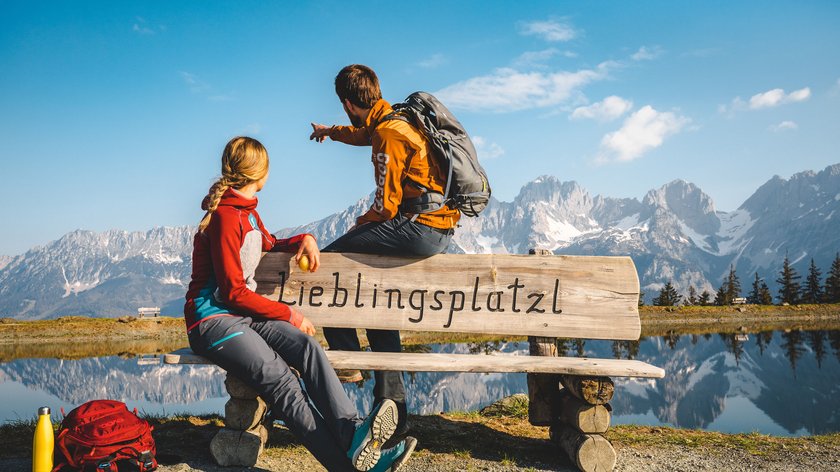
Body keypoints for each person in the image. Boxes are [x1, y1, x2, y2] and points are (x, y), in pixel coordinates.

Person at [183, 136, 416, 471]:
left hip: (242, 316)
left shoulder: (247, 213)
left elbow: (269, 242)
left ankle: (353, 435)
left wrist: (303, 239)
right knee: (281, 380)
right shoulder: (225, 216)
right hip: (214, 321)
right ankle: (348, 466)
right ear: (260, 173)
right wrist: (289, 313)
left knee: (307, 347)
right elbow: (232, 292)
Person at [309, 64, 460, 439]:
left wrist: (364, 222)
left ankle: (348, 362)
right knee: (376, 303)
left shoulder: (389, 135)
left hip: (420, 228)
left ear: (347, 102)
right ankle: (392, 406)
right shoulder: (395, 119)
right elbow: (363, 134)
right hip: (436, 224)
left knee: (328, 264)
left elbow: (386, 207)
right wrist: (331, 132)